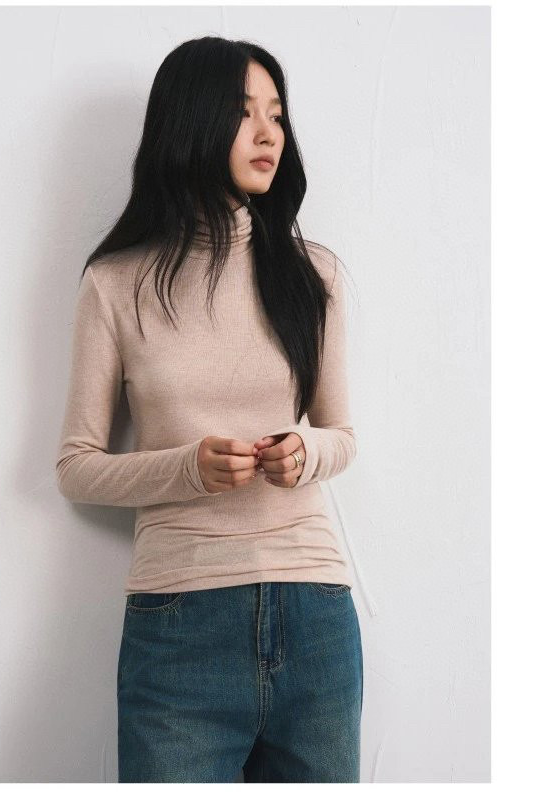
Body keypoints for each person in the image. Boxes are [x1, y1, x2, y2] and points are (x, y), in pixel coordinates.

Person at [55, 36, 363, 783]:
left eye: (277, 115)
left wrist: (305, 453)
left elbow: (342, 435)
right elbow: (76, 467)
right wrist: (187, 468)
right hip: (178, 628)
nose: (269, 134)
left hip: (316, 615)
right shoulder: (115, 283)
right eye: (244, 113)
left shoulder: (313, 273)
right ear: (191, 120)